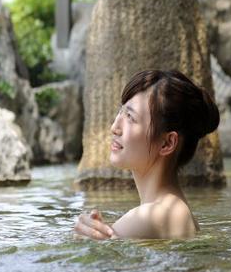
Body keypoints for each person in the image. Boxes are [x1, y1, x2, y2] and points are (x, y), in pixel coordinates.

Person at [74, 69, 220, 241]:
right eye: (120, 112)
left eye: (130, 117)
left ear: (167, 143)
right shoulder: (173, 212)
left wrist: (88, 241)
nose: (115, 127)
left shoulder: (151, 216)